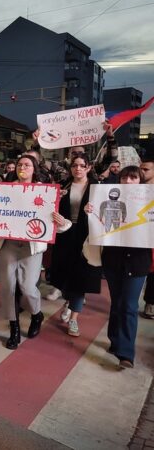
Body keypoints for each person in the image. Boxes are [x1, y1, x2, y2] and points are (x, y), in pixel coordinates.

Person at [0, 155, 65, 349]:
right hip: (8, 244)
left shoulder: (45, 191)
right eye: (19, 164)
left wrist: (61, 222)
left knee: (27, 288)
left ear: (34, 168)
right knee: (8, 287)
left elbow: (55, 225)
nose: (22, 167)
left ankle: (36, 314)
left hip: (31, 247)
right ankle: (14, 328)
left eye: (27, 164)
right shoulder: (6, 190)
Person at [84, 165, 149, 368]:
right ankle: (115, 340)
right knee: (117, 302)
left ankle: (126, 353)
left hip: (138, 262)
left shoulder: (150, 201)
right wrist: (91, 212)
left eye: (133, 177)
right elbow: (99, 223)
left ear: (140, 180)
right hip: (113, 260)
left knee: (129, 306)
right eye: (124, 177)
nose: (128, 181)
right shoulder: (106, 198)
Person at [50, 152, 102, 337]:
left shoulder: (97, 188)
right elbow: (50, 208)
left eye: (82, 165)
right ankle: (68, 301)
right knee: (63, 276)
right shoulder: (63, 185)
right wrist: (57, 198)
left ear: (88, 167)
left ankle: (74, 318)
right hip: (65, 235)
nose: (78, 168)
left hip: (86, 237)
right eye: (74, 165)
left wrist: (92, 211)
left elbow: (105, 211)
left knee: (81, 279)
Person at [139, 158, 154, 320]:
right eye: (140, 169)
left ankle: (150, 301)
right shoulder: (134, 189)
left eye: (146, 170)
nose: (142, 172)